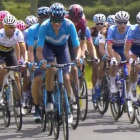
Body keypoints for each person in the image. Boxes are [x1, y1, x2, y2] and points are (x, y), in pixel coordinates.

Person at [36, 3, 81, 123]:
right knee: (51, 68)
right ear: (50, 18)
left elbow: (77, 47)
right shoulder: (44, 26)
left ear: (63, 18)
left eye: (59, 20)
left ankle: (69, 104)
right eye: (54, 20)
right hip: (48, 47)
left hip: (62, 48)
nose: (56, 23)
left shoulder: (69, 24)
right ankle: (50, 99)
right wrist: (42, 61)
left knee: (66, 77)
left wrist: (77, 57)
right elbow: (39, 51)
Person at [27, 6, 50, 122]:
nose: (44, 20)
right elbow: (30, 50)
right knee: (37, 79)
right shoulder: (32, 30)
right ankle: (37, 108)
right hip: (37, 53)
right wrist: (32, 63)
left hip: (50, 52)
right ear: (38, 19)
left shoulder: (52, 28)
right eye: (41, 18)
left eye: (46, 18)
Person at [107, 11, 131, 94]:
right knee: (117, 60)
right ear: (116, 23)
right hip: (113, 48)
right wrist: (112, 58)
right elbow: (109, 46)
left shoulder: (130, 28)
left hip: (124, 48)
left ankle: (127, 98)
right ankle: (112, 82)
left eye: (125, 22)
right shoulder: (112, 29)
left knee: (129, 74)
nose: (123, 25)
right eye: (120, 23)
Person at [124, 12, 140, 101]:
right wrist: (131, 60)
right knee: (136, 65)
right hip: (132, 49)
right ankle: (133, 87)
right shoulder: (133, 30)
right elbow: (126, 50)